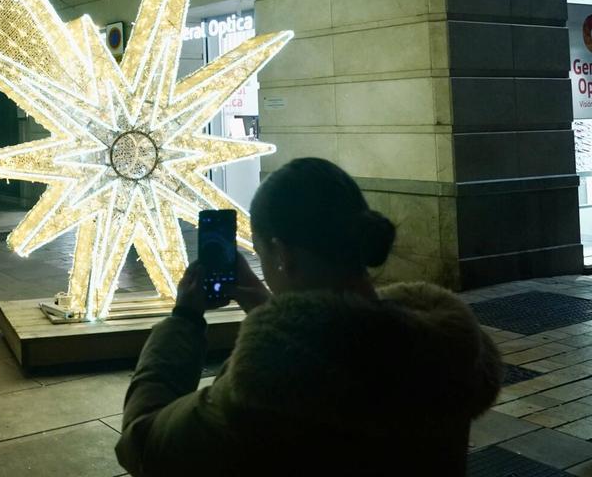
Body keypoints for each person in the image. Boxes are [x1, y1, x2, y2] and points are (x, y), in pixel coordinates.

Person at [114, 158, 502, 476]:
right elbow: (342, 344)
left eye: (263, 254)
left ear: (281, 253)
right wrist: (266, 306)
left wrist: (183, 319)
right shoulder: (446, 349)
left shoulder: (263, 388)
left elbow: (144, 442)